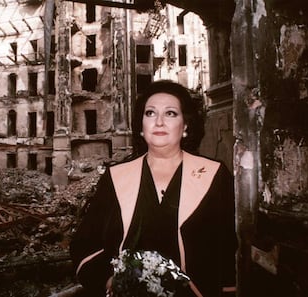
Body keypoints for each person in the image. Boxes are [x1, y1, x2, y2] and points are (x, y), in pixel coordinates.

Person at [70, 80, 237, 297]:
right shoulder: (116, 177)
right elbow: (85, 243)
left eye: (170, 113)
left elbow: (228, 250)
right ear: (141, 127)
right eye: (150, 113)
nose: (159, 122)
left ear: (186, 125)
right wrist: (109, 279)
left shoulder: (215, 175)